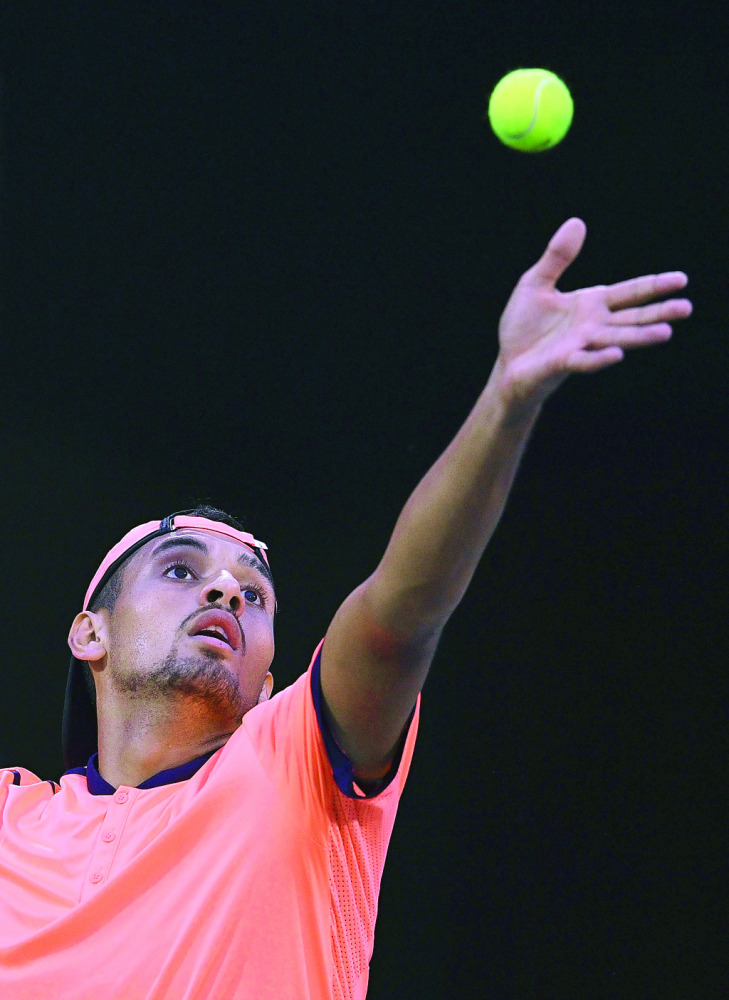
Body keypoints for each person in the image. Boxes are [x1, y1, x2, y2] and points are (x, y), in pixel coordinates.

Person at [0, 219, 691, 999]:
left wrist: (506, 401)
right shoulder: (10, 819)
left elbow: (398, 618)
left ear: (268, 686)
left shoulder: (290, 762)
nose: (225, 590)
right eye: (180, 569)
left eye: (253, 594)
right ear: (89, 631)